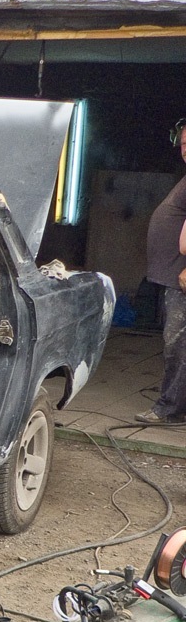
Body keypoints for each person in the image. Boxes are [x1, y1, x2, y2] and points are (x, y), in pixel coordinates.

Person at [138, 118, 186, 423]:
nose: (185, 150)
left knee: (178, 342)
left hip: (181, 276)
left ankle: (170, 409)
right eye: (183, 144)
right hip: (174, 276)